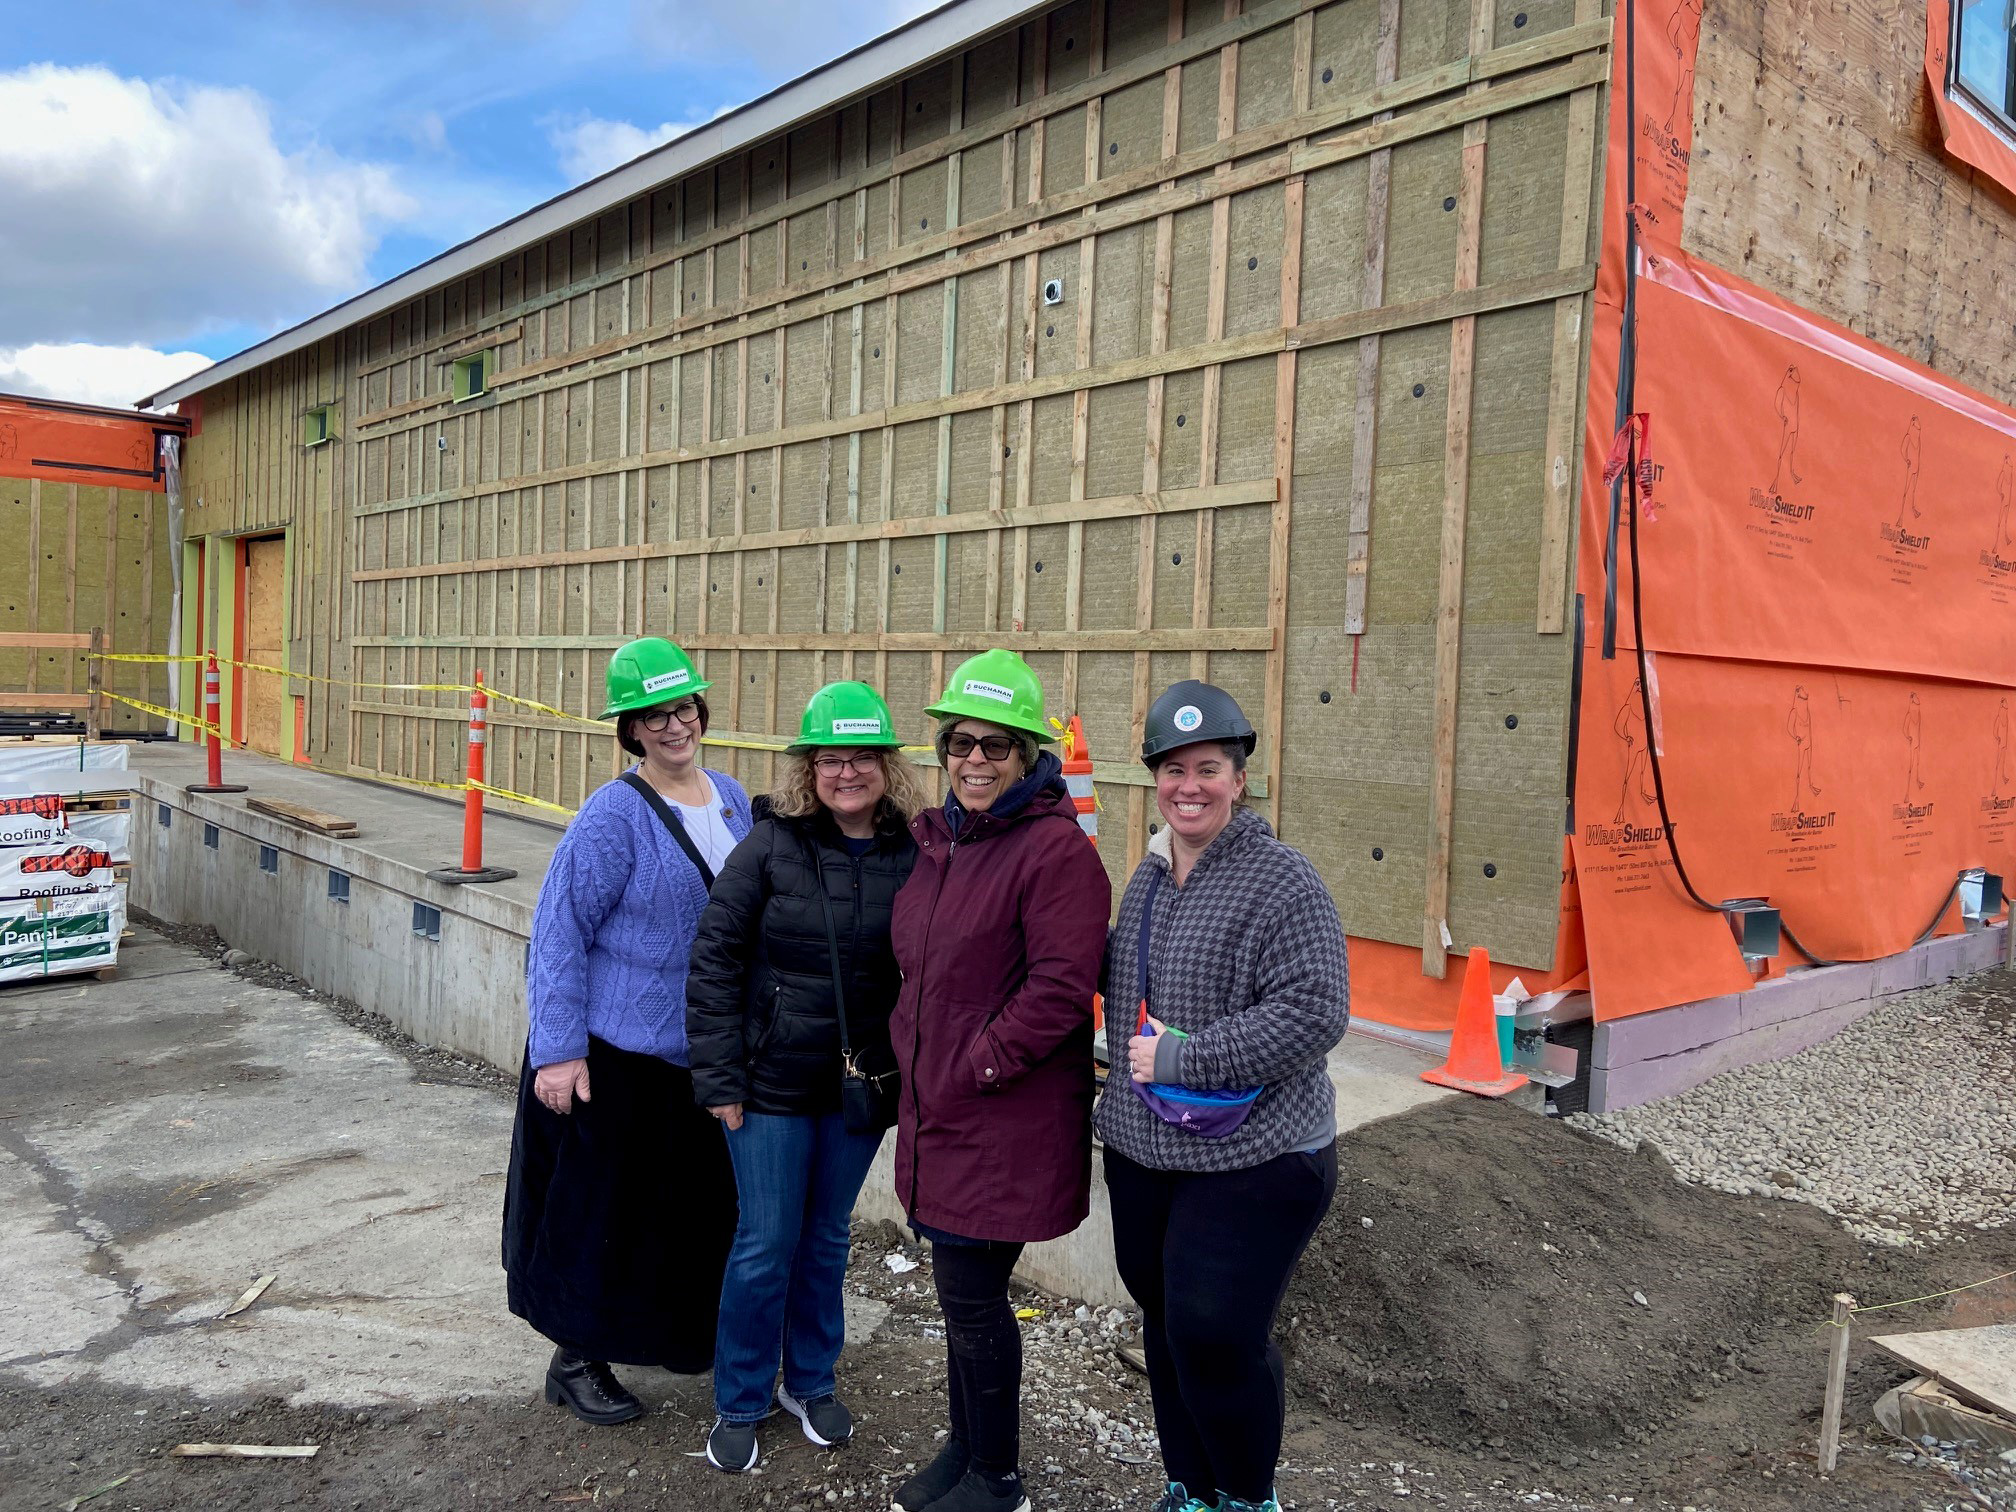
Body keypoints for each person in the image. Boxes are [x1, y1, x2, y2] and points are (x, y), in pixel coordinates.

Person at [1093, 680, 1350, 1512]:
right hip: (1145, 1154)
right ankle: (1190, 1488)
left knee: (1215, 1335)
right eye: (1173, 770)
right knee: (1166, 1328)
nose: (1189, 786)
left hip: (1256, 1155)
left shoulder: (1283, 881)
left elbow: (1316, 1009)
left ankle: (1246, 1496)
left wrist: (1185, 1057)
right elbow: (1111, 978)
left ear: (1241, 779)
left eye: (1209, 768)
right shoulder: (1150, 875)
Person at [502, 637, 750, 1425]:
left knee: (680, 1219)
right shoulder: (615, 814)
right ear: (631, 731)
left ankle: (685, 1341)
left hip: (701, 1058)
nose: (674, 726)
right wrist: (559, 1051)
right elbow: (560, 930)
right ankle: (574, 1361)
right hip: (617, 1058)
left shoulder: (735, 799)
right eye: (653, 716)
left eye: (683, 708)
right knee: (599, 1217)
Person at [887, 649, 1111, 1512]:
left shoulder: (1051, 852)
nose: (975, 761)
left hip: (998, 1117)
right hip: (945, 1109)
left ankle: (998, 1477)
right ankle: (965, 1452)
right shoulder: (944, 842)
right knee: (960, 1297)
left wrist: (973, 1063)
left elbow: (1060, 989)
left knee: (974, 1300)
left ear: (1027, 756)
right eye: (959, 744)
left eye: (996, 747)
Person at [685, 682, 926, 1472]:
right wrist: (719, 1077)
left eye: (862, 758)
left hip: (859, 1086)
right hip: (769, 1084)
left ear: (886, 766)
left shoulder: (915, 854)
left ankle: (810, 1381)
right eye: (831, 759)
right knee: (764, 1242)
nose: (847, 773)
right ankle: (742, 1397)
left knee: (825, 1241)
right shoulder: (771, 846)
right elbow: (714, 959)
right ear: (809, 769)